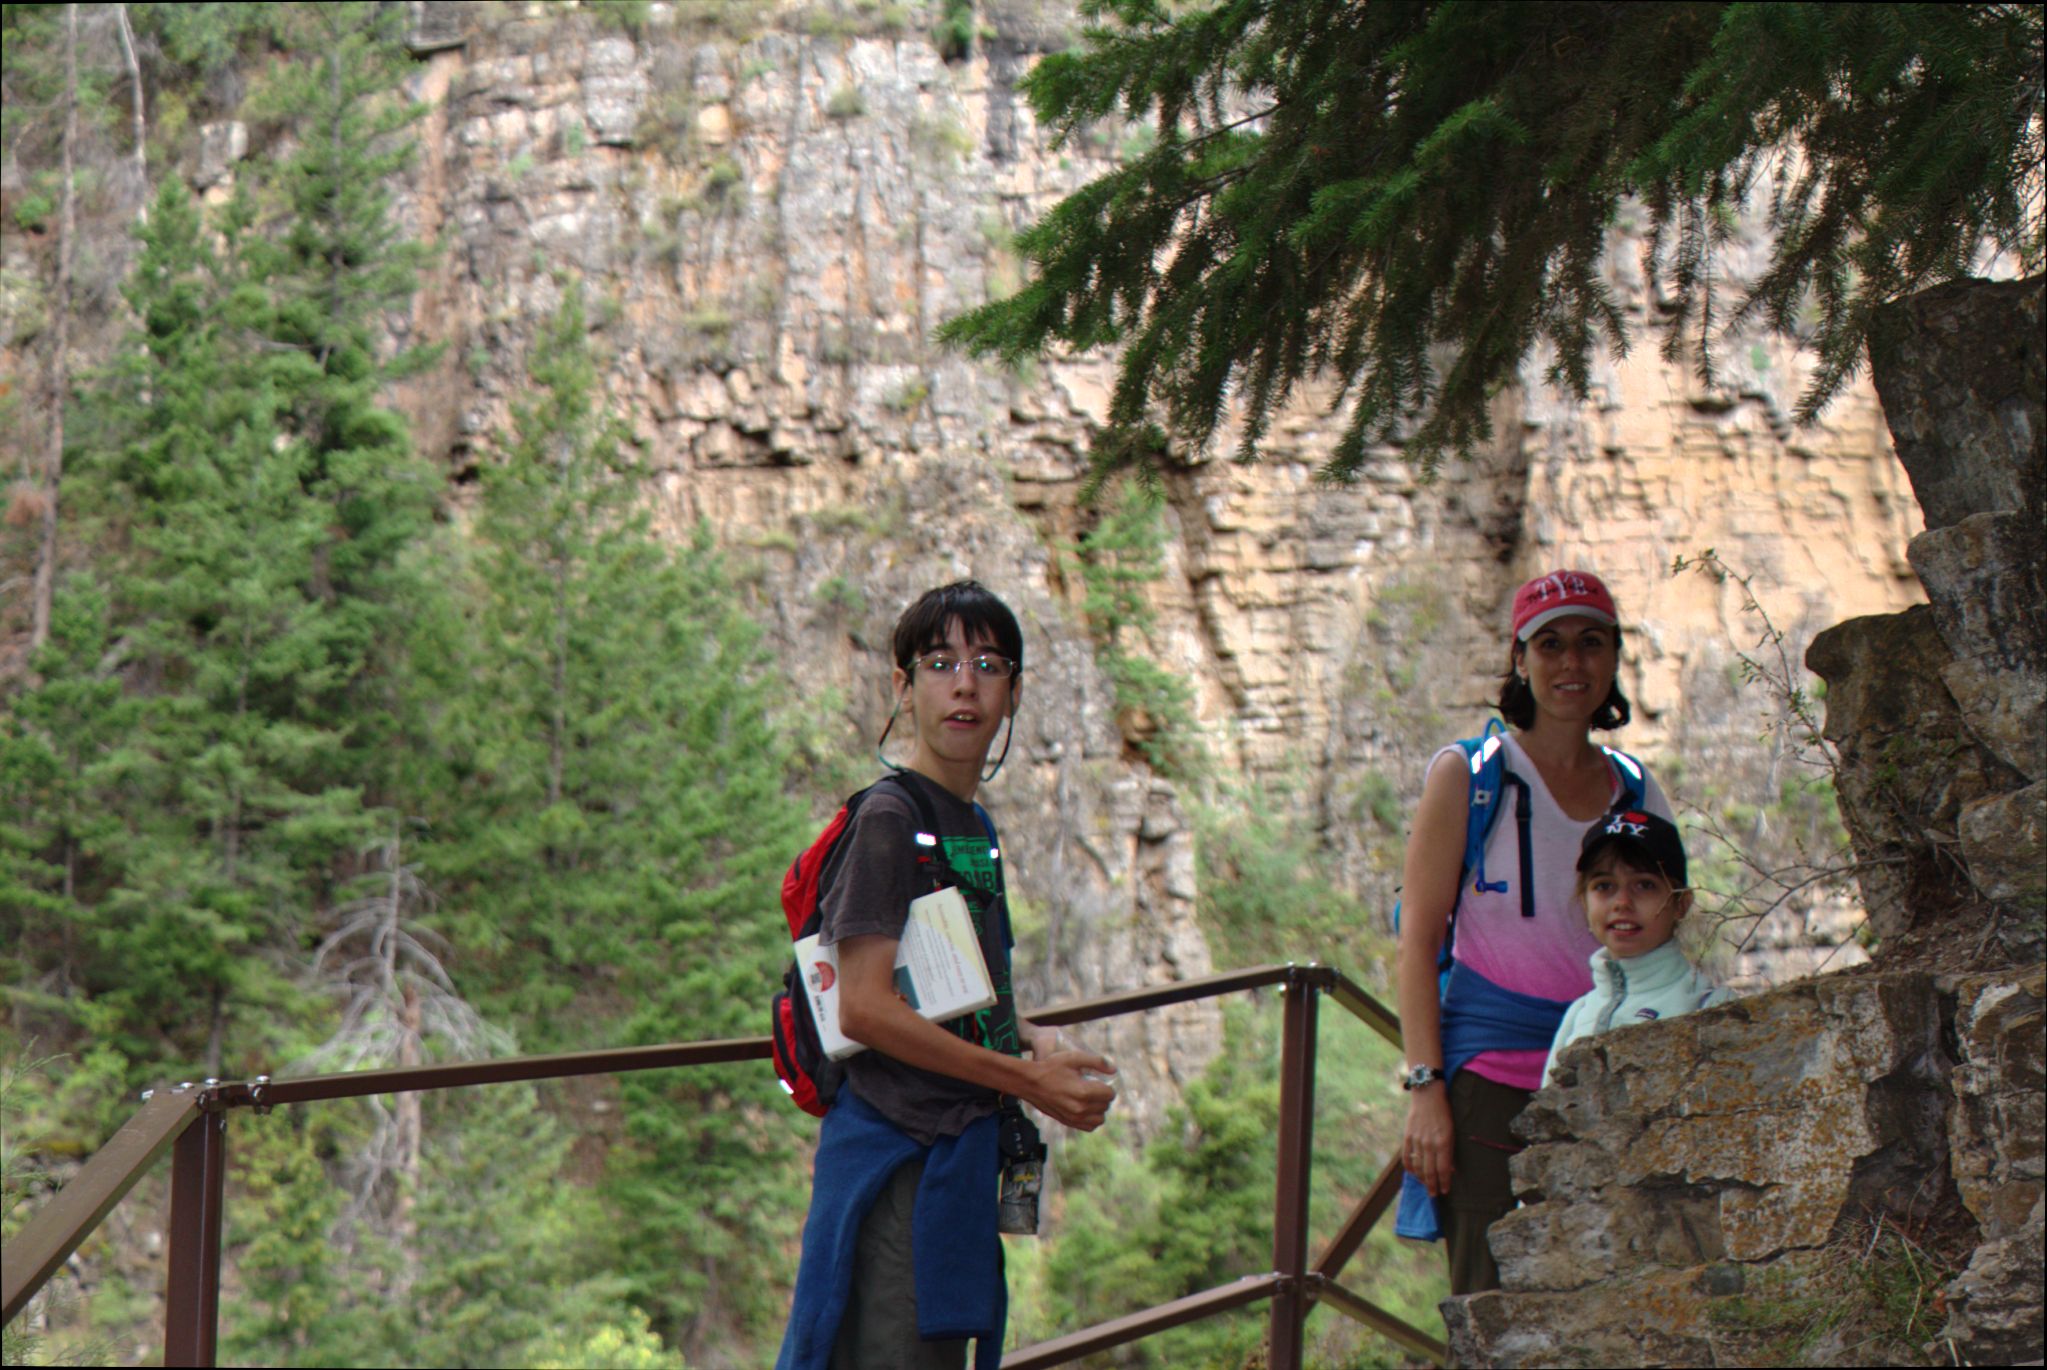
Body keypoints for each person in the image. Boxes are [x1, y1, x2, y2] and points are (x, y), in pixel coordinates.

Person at [778, 580, 1117, 1370]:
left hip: (950, 1153)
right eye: (938, 663)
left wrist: (1024, 1036)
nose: (964, 683)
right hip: (897, 1160)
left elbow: (939, 985)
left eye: (988, 663)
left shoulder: (968, 822)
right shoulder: (890, 820)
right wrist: (1026, 1083)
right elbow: (863, 1007)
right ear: (903, 686)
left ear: (1014, 692)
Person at [1393, 569, 1675, 1295]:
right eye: (1548, 644)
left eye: (1589, 643)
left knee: (1610, 1291)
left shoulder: (1633, 790)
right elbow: (1417, 941)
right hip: (1490, 1078)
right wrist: (1425, 1090)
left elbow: (1665, 925)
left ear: (1613, 657)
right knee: (1490, 1296)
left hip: (1608, 1070)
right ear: (1519, 661)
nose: (1569, 663)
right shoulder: (1469, 776)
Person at [1542, 806, 1729, 1085]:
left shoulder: (1710, 1005)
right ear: (1584, 901)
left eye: (1644, 885)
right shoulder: (1579, 1012)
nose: (1622, 902)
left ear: (1681, 903)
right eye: (1604, 886)